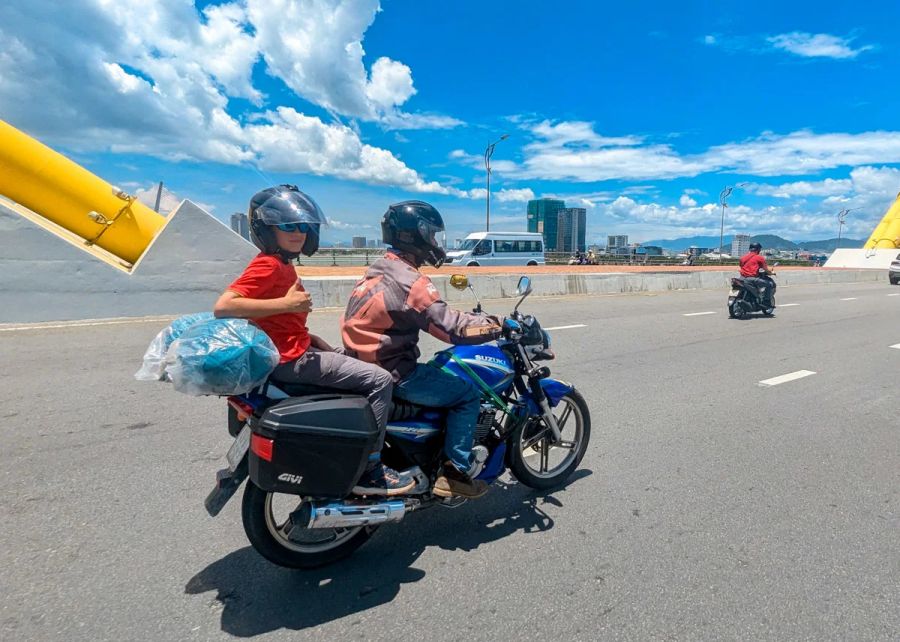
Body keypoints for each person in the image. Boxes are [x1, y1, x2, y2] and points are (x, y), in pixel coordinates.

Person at [214, 185, 413, 496]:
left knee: (350, 358)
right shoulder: (268, 264)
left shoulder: (281, 264)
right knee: (379, 380)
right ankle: (371, 468)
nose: (298, 233)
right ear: (267, 229)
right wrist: (288, 306)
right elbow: (224, 306)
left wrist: (308, 337)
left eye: (304, 226)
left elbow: (275, 323)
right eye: (288, 226)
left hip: (293, 350)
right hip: (291, 361)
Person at [341, 201, 502, 499]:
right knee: (467, 394)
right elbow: (452, 329)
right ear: (415, 235)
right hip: (394, 371)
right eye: (432, 236)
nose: (435, 243)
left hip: (360, 364)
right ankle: (454, 472)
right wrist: (496, 325)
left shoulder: (377, 270)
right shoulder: (410, 281)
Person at [739, 242, 776, 306]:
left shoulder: (743, 258)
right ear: (758, 249)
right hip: (752, 279)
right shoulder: (759, 258)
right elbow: (766, 269)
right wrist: (772, 272)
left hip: (742, 278)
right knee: (770, 284)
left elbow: (741, 266)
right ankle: (766, 301)